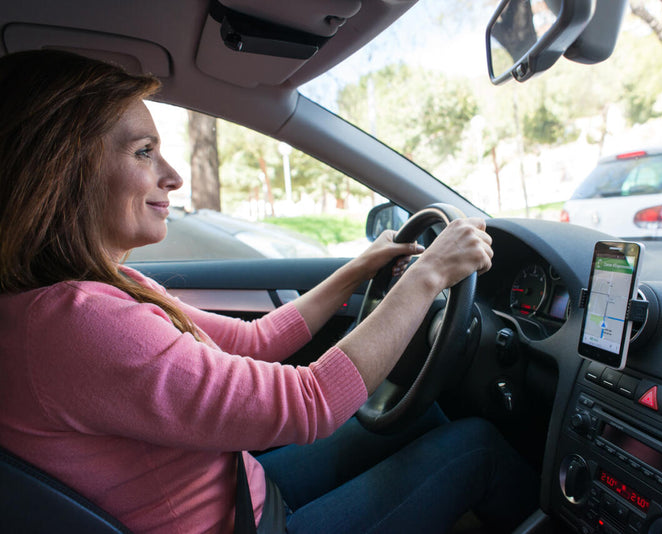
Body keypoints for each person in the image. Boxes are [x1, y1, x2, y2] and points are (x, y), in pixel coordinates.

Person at [0, 49, 538, 533]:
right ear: (63, 170)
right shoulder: (79, 322)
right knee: (478, 450)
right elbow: (312, 402)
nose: (173, 177)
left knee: (422, 415)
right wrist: (428, 276)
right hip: (248, 521)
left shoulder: (98, 290)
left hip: (241, 492)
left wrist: (359, 268)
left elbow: (252, 341)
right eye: (144, 152)